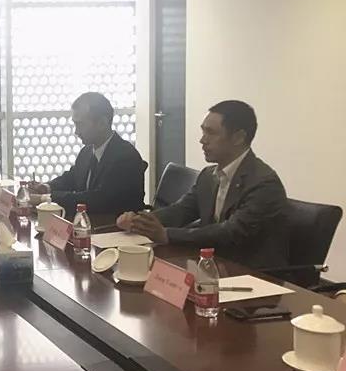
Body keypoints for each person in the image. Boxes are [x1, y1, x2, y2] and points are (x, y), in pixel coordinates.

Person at [117, 100, 288, 269]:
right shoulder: (208, 175)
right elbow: (181, 211)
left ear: (239, 137)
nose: (202, 140)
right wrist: (139, 221)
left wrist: (167, 234)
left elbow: (231, 233)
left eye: (211, 133)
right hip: (212, 264)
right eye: (203, 131)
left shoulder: (264, 183)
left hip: (252, 273)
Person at [30, 92, 146, 219]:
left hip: (114, 226)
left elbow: (97, 200)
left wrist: (45, 199)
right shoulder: (87, 151)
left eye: (80, 125)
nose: (76, 131)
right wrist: (46, 187)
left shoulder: (125, 157)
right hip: (89, 224)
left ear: (102, 123)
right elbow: (72, 178)